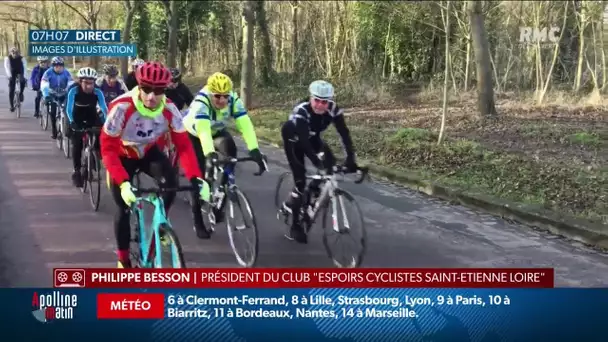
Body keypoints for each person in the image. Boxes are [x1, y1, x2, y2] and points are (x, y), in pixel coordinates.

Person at [100, 61, 210, 268]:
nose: (151, 96)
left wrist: (197, 177)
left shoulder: (169, 109)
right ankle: (123, 259)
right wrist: (123, 183)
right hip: (122, 155)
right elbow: (107, 149)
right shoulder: (121, 108)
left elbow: (184, 146)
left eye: (158, 90)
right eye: (146, 89)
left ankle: (161, 224)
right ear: (138, 86)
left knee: (171, 181)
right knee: (123, 208)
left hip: (149, 152)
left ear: (165, 89)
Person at [280, 80, 359, 244]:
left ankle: (314, 189)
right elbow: (303, 142)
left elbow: (344, 133)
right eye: (317, 100)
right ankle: (295, 224)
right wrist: (317, 163)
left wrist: (351, 158)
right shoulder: (302, 111)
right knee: (300, 181)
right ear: (310, 98)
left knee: (330, 162)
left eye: (325, 101)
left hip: (313, 138)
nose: (320, 105)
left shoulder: (334, 110)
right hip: (294, 140)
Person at [182, 72, 266, 225]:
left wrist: (254, 150)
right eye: (217, 96)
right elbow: (204, 132)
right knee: (198, 176)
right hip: (194, 134)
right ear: (210, 93)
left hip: (217, 132)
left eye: (225, 96)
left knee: (230, 152)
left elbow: (245, 125)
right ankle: (198, 220)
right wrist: (209, 153)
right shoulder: (202, 102)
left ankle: (222, 191)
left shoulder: (234, 100)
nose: (222, 100)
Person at [66, 67, 108, 188]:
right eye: (86, 83)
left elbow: (104, 109)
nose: (89, 86)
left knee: (100, 136)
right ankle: (77, 171)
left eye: (92, 83)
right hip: (76, 116)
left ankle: (93, 159)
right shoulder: (73, 90)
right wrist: (72, 122)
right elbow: (68, 109)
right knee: (77, 144)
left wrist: (108, 123)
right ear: (80, 81)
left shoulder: (97, 91)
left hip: (91, 116)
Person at [41, 57, 73, 139]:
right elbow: (44, 85)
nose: (58, 68)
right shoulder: (48, 73)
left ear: (63, 66)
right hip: (52, 94)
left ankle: (67, 128)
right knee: (53, 112)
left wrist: (71, 94)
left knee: (67, 110)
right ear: (53, 66)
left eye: (60, 66)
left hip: (63, 94)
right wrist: (46, 95)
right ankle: (54, 131)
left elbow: (71, 84)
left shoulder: (67, 73)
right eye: (56, 66)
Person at [4, 47, 27, 112]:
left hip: (20, 71)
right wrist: (9, 76)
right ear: (10, 53)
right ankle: (11, 106)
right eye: (13, 53)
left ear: (18, 53)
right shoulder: (7, 58)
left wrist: (24, 77)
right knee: (11, 88)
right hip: (12, 72)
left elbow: (25, 67)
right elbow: (7, 67)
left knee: (22, 81)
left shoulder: (22, 58)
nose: (14, 54)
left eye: (16, 53)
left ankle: (21, 93)